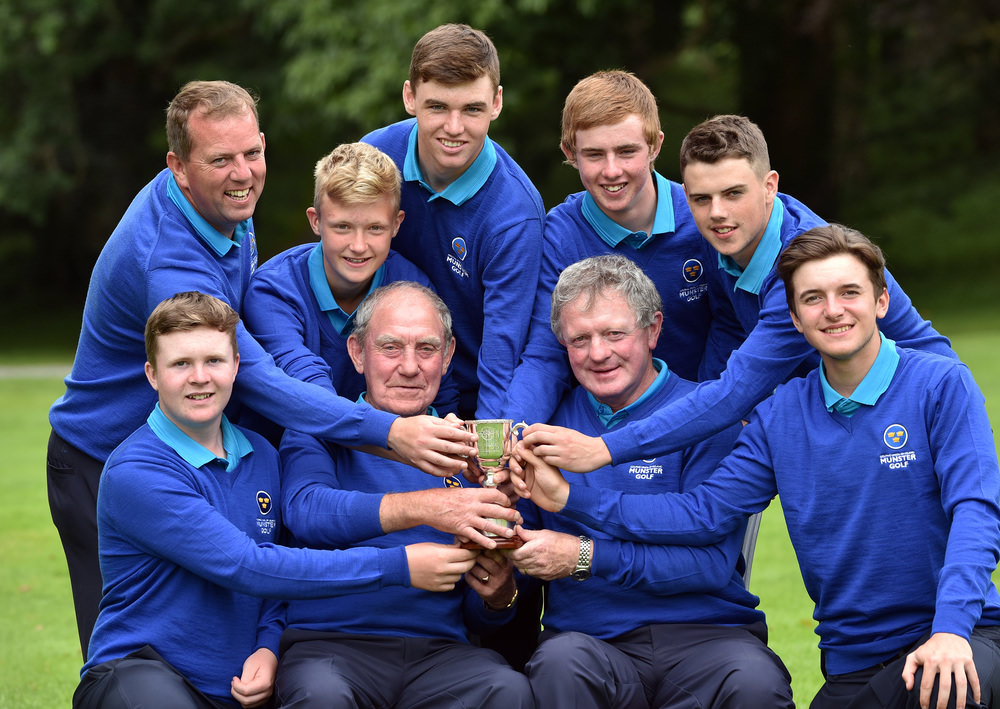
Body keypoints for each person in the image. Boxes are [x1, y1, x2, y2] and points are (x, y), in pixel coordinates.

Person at [46, 80, 476, 657]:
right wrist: (389, 431)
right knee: (133, 656)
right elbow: (256, 375)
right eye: (220, 159)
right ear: (179, 166)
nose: (242, 173)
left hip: (206, 452)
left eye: (252, 153)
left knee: (225, 646)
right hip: (107, 460)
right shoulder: (170, 261)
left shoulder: (225, 206)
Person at [517, 225, 1000, 709]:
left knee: (950, 690)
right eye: (813, 298)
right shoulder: (779, 415)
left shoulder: (941, 383)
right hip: (856, 660)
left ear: (881, 301)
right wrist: (571, 500)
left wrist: (952, 631)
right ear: (792, 317)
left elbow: (976, 512)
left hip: (959, 635)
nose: (832, 310)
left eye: (848, 292)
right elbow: (703, 515)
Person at [74, 292, 480, 709]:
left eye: (214, 361)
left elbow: (281, 570)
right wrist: (398, 566)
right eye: (180, 364)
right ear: (153, 374)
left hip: (237, 688)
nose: (200, 377)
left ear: (236, 366)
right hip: (145, 673)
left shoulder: (261, 454)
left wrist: (269, 646)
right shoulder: (138, 471)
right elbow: (247, 565)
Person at [518, 114, 956, 477]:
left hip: (913, 408)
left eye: (733, 194)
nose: (718, 213)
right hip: (835, 404)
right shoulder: (722, 242)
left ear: (770, 187)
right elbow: (728, 329)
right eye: (701, 199)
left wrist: (606, 448)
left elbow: (735, 391)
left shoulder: (799, 270)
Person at [506, 255, 792, 708]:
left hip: (709, 637)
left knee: (754, 681)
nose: (598, 353)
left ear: (653, 330)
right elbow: (520, 552)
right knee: (558, 663)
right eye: (580, 339)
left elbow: (710, 567)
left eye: (615, 333)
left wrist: (585, 555)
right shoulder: (548, 429)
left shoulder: (704, 416)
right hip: (590, 640)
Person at [275, 281, 533, 708]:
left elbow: (480, 612)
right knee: (322, 695)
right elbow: (308, 512)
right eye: (391, 348)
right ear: (357, 353)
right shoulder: (319, 430)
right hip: (331, 646)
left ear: (448, 356)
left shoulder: (473, 449)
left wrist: (498, 595)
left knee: (508, 689)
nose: (409, 367)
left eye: (427, 349)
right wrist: (428, 508)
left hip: (440, 652)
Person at [503, 70, 729, 424]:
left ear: (654, 146)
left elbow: (730, 323)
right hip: (599, 420)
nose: (612, 171)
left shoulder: (702, 216)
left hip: (696, 413)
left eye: (626, 152)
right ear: (570, 152)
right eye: (594, 154)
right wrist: (514, 433)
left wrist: (709, 416)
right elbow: (547, 353)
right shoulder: (560, 235)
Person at [362, 23, 545, 420]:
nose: (454, 128)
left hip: (464, 402)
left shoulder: (514, 214)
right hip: (369, 385)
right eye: (438, 107)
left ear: (496, 103)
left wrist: (486, 445)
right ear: (410, 97)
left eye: (472, 109)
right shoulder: (375, 156)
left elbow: (502, 355)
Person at [242, 142, 459, 434]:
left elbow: (438, 391)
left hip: (386, 454)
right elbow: (306, 382)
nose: (358, 246)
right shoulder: (274, 290)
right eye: (342, 227)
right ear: (316, 221)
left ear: (396, 224)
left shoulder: (412, 287)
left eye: (375, 229)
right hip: (289, 449)